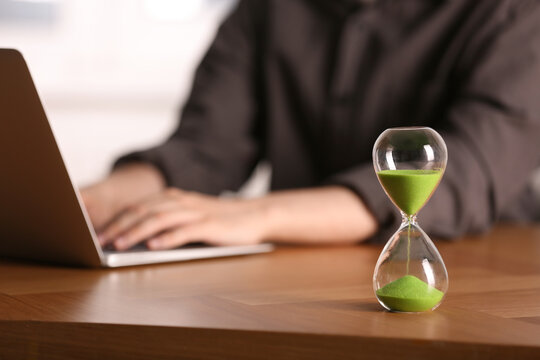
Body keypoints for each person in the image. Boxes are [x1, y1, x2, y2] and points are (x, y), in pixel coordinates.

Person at [82, 0, 540, 251]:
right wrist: (94, 200)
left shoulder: (513, 12)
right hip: (296, 271)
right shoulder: (265, 10)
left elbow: (467, 174)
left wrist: (256, 214)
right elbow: (201, 149)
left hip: (481, 267)